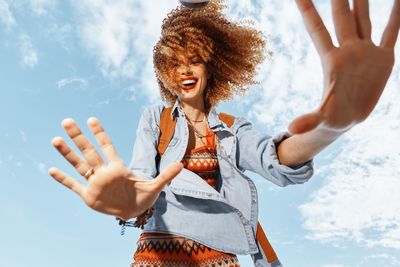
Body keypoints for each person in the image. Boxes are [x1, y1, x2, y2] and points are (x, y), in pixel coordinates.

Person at [48, 0, 400, 266]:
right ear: (164, 73)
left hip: (220, 256)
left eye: (194, 59)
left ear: (212, 67)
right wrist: (131, 202)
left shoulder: (232, 128)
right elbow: (141, 180)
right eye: (174, 62)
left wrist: (332, 127)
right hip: (156, 250)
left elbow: (275, 158)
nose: (184, 70)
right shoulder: (156, 119)